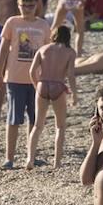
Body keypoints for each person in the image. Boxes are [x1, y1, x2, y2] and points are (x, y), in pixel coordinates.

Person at [0, 0, 50, 168]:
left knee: (34, 120)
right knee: (13, 119)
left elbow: (47, 53)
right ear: (18, 4)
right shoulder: (12, 22)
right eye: (24, 5)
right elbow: (3, 49)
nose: (27, 9)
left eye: (31, 5)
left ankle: (30, 156)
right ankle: (9, 157)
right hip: (15, 78)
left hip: (37, 80)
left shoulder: (43, 25)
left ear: (37, 5)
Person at [27, 24, 78, 169]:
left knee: (37, 125)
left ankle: (30, 159)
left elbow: (32, 71)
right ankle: (57, 163)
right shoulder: (70, 52)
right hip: (58, 86)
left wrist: (37, 86)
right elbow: (70, 75)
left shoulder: (43, 49)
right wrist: (74, 94)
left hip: (43, 85)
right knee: (60, 127)